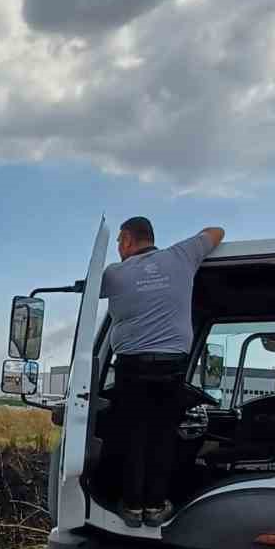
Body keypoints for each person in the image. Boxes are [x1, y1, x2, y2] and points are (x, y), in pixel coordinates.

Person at [101, 217, 225, 527]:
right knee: (161, 436)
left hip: (130, 368)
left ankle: (131, 508)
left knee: (132, 435)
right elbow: (216, 231)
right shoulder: (181, 255)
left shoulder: (114, 274)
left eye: (118, 242)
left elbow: (90, 293)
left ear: (128, 240)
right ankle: (156, 507)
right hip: (170, 369)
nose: (118, 248)